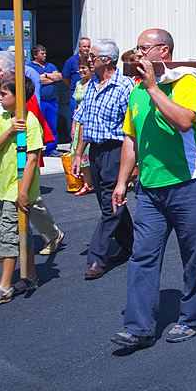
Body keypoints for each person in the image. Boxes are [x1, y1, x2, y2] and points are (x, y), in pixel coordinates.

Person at [109, 29, 196, 349]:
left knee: (194, 256)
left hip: (189, 185)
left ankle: (193, 317)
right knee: (142, 256)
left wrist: (154, 87)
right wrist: (122, 180)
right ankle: (138, 326)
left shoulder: (185, 83)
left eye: (144, 48)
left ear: (163, 51)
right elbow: (131, 138)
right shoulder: (137, 90)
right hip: (150, 189)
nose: (138, 53)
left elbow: (184, 121)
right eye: (137, 48)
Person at [0, 51, 63, 267]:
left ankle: (52, 234)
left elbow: (35, 129)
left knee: (30, 202)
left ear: (11, 72)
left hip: (18, 159)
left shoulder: (23, 101)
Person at [0, 76, 44, 306]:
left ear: (19, 97)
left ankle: (4, 286)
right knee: (21, 231)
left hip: (18, 189)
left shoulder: (30, 122)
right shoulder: (3, 118)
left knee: (8, 235)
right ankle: (31, 275)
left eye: (4, 94)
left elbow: (32, 158)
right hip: (5, 186)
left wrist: (23, 192)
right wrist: (9, 132)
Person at [72, 39, 136, 280]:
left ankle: (96, 257)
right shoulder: (91, 86)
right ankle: (131, 243)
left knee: (111, 204)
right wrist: (79, 154)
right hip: (96, 151)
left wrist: (135, 163)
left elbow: (134, 128)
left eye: (93, 56)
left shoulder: (124, 87)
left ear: (108, 60)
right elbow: (85, 122)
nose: (89, 59)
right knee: (108, 203)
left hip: (116, 150)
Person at [27, 44, 63, 155]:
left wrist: (45, 75)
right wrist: (50, 77)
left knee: (52, 125)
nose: (44, 55)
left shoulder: (50, 66)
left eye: (45, 53)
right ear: (35, 55)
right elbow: (36, 81)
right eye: (42, 53)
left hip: (51, 101)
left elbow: (60, 77)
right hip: (39, 102)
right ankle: (38, 147)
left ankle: (51, 148)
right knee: (38, 124)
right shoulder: (30, 67)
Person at [71, 59, 94, 196]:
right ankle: (86, 182)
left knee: (88, 153)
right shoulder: (79, 84)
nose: (82, 71)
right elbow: (76, 107)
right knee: (77, 151)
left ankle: (90, 182)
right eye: (79, 68)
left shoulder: (93, 84)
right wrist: (73, 126)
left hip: (89, 121)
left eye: (84, 68)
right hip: (79, 121)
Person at [61, 37, 92, 139]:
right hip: (76, 95)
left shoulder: (92, 60)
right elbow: (64, 77)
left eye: (88, 46)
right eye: (84, 46)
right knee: (75, 120)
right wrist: (73, 86)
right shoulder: (71, 61)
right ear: (79, 47)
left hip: (88, 95)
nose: (86, 49)